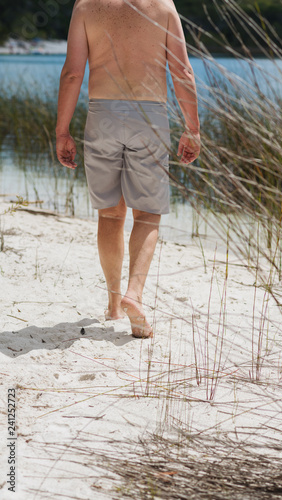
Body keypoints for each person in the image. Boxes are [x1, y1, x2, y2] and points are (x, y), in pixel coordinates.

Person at [56, 0, 200, 338]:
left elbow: (73, 72)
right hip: (149, 116)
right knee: (147, 215)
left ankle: (113, 304)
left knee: (109, 215)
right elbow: (182, 72)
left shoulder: (86, 6)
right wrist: (192, 127)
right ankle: (133, 295)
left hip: (101, 114)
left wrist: (62, 130)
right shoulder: (163, 6)